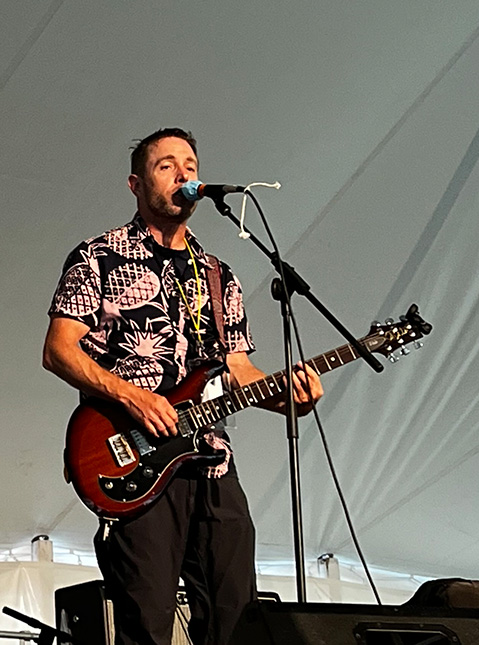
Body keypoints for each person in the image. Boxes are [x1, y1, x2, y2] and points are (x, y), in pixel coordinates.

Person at [42, 128, 324, 645]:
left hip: (212, 461)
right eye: (165, 165)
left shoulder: (219, 275)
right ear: (136, 183)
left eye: (190, 164)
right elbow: (59, 349)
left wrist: (289, 399)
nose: (183, 174)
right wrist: (132, 395)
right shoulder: (98, 257)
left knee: (236, 618)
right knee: (146, 626)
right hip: (134, 459)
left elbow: (238, 371)